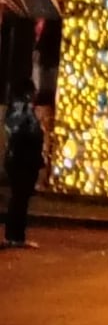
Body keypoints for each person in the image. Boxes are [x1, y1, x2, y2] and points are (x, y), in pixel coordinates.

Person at [4, 80, 45, 249]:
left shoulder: (21, 109)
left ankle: (16, 236)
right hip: (22, 160)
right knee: (19, 199)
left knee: (20, 198)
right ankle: (14, 236)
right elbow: (24, 133)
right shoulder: (22, 109)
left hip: (22, 160)